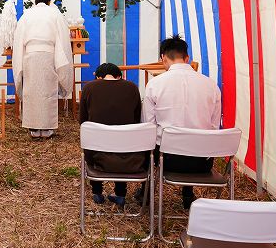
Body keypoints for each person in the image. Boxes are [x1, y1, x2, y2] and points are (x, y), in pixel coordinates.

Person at [141, 34, 222, 208]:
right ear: (187, 58)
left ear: (163, 58)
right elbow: (214, 127)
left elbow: (148, 125)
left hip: (168, 160)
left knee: (150, 141)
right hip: (203, 162)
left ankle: (144, 192)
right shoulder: (211, 85)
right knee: (193, 136)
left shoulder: (155, 84)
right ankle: (187, 193)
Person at [12, 0, 73, 138]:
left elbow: (18, 39)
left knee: (31, 90)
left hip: (30, 55)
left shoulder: (26, 15)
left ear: (35, 0)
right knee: (47, 91)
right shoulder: (55, 13)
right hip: (49, 54)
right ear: (48, 0)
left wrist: (19, 61)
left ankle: (33, 129)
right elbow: (64, 39)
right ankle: (47, 129)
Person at [79, 63, 143, 208]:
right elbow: (137, 119)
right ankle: (120, 194)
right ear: (119, 76)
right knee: (122, 141)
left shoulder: (89, 88)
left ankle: (97, 192)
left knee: (93, 139)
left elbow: (82, 122)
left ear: (98, 77)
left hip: (96, 156)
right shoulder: (132, 88)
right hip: (128, 155)